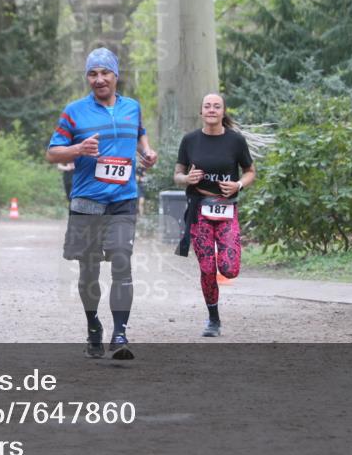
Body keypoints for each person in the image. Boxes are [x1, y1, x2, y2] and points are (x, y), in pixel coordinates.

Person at [46, 48, 157, 359]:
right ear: (87, 78)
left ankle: (120, 334)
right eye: (92, 74)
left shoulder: (132, 108)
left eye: (104, 73)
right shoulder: (74, 111)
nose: (99, 79)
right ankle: (93, 324)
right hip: (87, 202)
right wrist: (78, 149)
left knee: (122, 261)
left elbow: (140, 134)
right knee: (89, 272)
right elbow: (52, 153)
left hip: (123, 199)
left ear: (115, 75)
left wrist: (147, 153)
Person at [173, 93, 255, 338]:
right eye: (207, 106)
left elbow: (250, 171)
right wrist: (187, 179)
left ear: (223, 112)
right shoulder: (190, 140)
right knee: (208, 268)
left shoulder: (235, 141)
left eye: (216, 106)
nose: (211, 109)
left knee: (229, 269)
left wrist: (238, 185)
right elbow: (177, 174)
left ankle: (215, 311)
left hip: (226, 209)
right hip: (200, 210)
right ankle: (213, 319)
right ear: (201, 112)